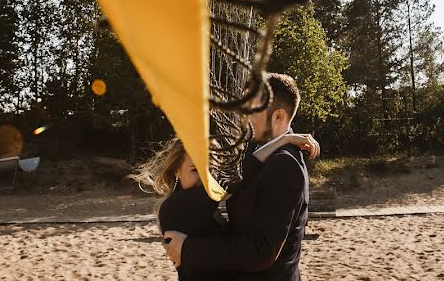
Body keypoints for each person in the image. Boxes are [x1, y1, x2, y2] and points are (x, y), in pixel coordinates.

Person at [164, 73, 310, 281]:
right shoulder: (257, 150)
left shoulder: (285, 164)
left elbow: (262, 251)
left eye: (252, 110)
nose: (244, 117)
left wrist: (188, 249)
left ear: (278, 116)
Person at [136, 116, 317, 280]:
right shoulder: (173, 208)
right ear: (176, 170)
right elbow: (241, 174)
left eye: (208, 170)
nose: (204, 179)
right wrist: (282, 140)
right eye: (194, 170)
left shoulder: (203, 202)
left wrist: (282, 140)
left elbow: (240, 174)